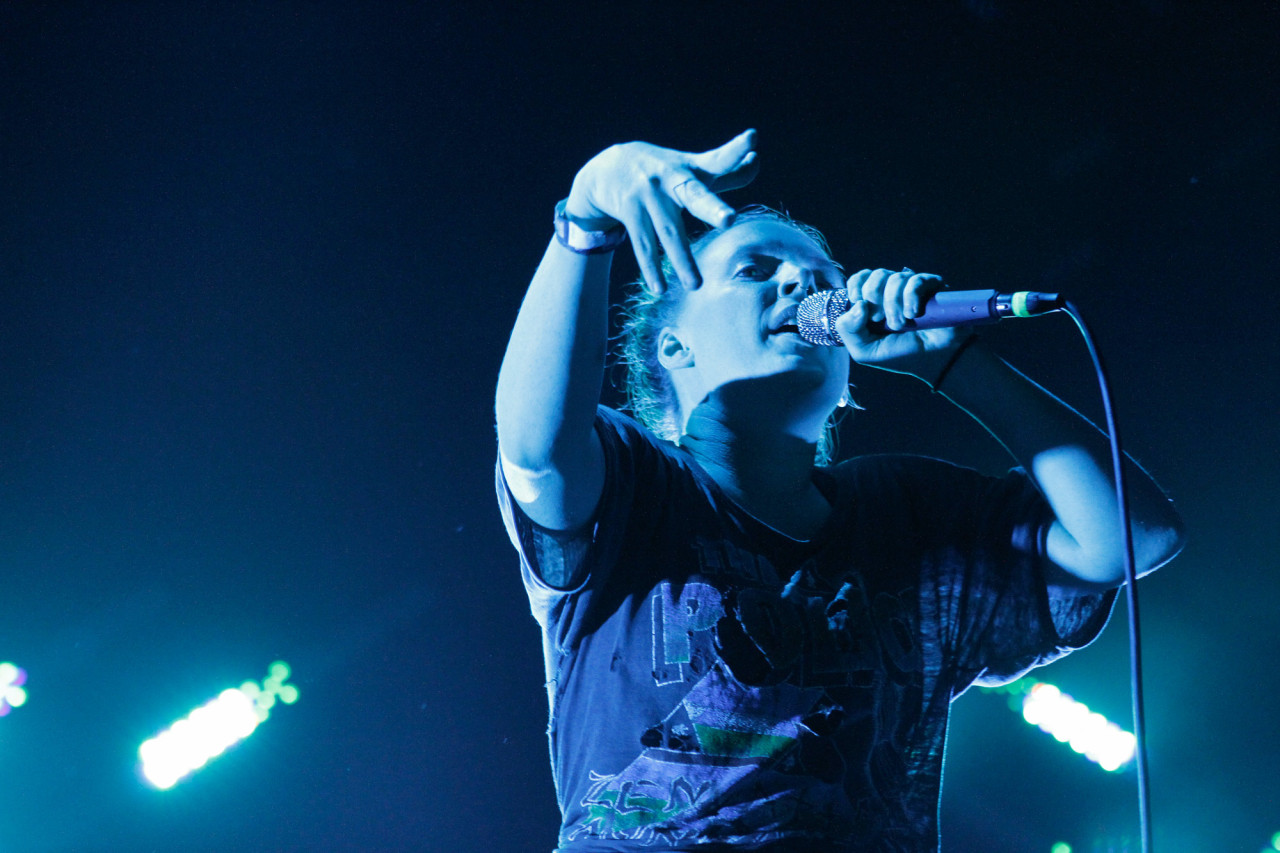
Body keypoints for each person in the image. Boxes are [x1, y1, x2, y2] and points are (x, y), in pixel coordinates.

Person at [494, 129, 1184, 852]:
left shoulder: (905, 512)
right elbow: (537, 454)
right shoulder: (637, 482)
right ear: (674, 346)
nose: (803, 286)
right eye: (754, 270)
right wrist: (585, 222)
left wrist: (955, 362)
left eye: (825, 277)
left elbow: (1137, 538)